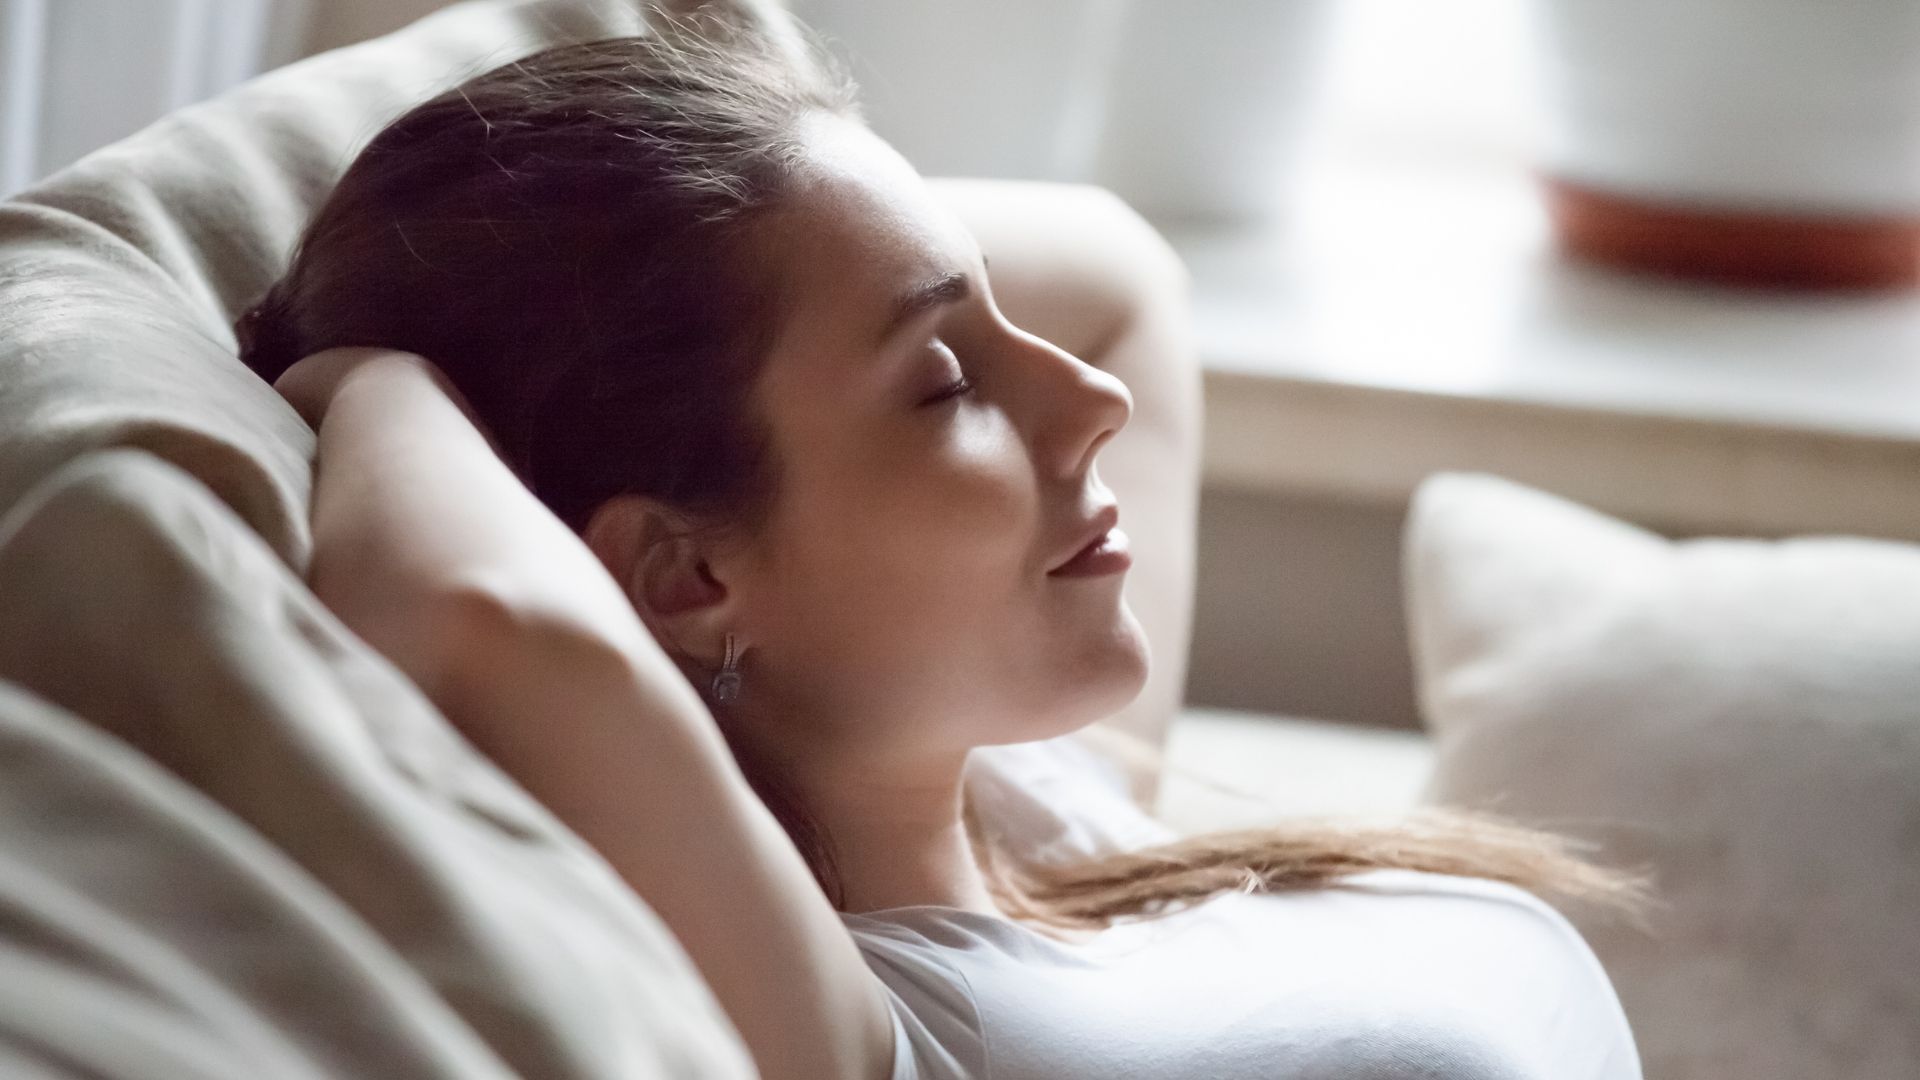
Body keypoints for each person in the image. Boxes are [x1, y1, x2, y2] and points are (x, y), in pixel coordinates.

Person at [238, 6, 1650, 1079]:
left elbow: (1112, 272)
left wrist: (809, 201)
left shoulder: (1055, 804)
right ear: (687, 575)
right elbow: (482, 619)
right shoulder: (844, 1014)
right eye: (949, 382)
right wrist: (370, 375)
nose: (1087, 402)